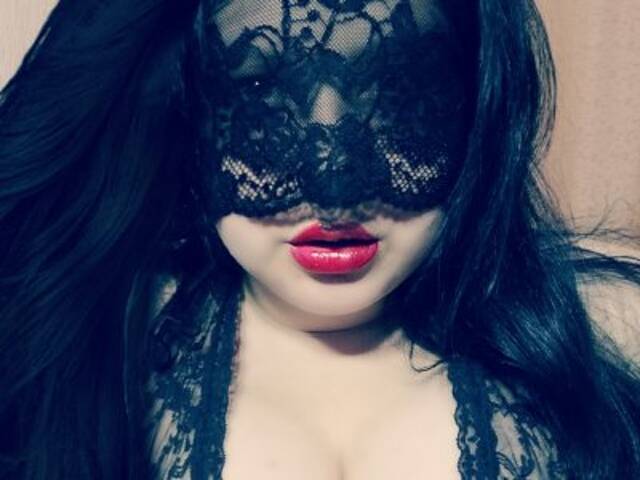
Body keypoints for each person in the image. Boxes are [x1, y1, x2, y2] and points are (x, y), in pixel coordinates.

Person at [0, 0, 639, 479]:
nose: (334, 188)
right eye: (261, 94)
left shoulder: (603, 328)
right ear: (186, 109)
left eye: (394, 93)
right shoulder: (92, 340)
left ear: (479, 107)